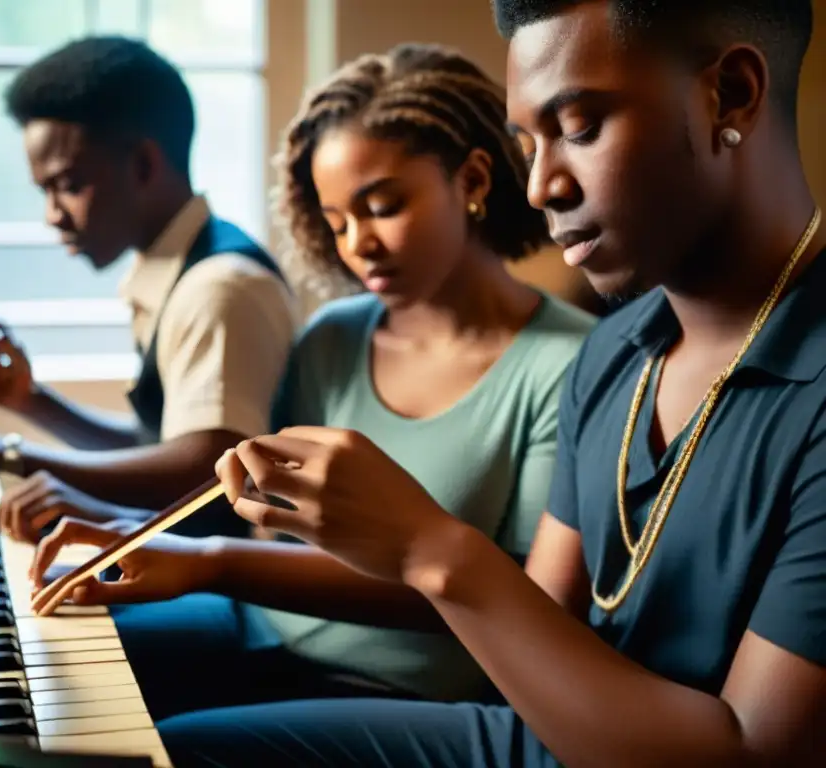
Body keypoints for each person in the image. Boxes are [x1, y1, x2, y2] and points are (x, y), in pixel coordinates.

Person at [73, 1, 822, 765]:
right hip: (532, 736)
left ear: (730, 95)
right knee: (164, 751)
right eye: (530, 143)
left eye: (581, 127)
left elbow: (755, 755)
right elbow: (543, 621)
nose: (539, 187)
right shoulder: (615, 353)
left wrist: (424, 543)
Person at [29, 42, 596, 725]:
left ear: (473, 182)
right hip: (263, 629)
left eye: (382, 206)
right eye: (336, 222)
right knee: (46, 666)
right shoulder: (333, 337)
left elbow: (516, 602)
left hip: (406, 694)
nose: (357, 243)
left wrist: (210, 561)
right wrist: (151, 537)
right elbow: (269, 529)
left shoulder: (568, 363)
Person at [0, 36, 296, 539]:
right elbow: (162, 447)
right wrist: (31, 402)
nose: (52, 216)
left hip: (243, 596)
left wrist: (5, 454)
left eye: (68, 185)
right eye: (44, 191)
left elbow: (206, 469)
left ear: (144, 165)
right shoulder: (181, 269)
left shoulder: (219, 288)